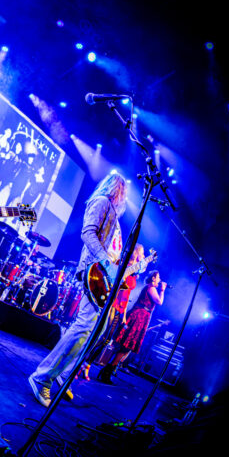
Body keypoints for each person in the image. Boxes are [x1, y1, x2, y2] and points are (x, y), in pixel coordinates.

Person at [27, 172, 127, 407]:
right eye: (122, 189)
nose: (124, 195)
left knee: (95, 331)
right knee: (84, 326)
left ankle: (63, 375)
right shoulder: (102, 202)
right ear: (115, 188)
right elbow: (87, 233)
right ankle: (42, 378)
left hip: (102, 275)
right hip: (93, 272)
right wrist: (104, 261)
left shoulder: (113, 214)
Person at [80, 243, 145, 381]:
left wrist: (124, 314)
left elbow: (126, 294)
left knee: (107, 340)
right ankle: (82, 361)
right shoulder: (122, 263)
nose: (142, 256)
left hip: (119, 307)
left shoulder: (134, 271)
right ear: (136, 253)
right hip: (111, 302)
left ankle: (87, 363)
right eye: (141, 253)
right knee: (101, 336)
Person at [97, 270, 167, 384]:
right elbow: (159, 301)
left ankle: (108, 369)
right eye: (158, 277)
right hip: (138, 317)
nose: (159, 280)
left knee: (126, 346)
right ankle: (107, 370)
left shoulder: (149, 287)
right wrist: (163, 290)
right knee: (126, 345)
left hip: (141, 316)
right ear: (153, 278)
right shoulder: (151, 288)